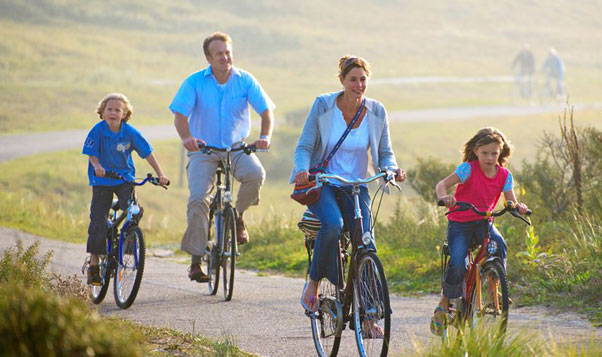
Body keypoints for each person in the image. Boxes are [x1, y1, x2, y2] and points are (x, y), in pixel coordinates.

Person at [291, 55, 406, 336]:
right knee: (333, 226)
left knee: (366, 243)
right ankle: (315, 282)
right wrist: (302, 170)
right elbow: (305, 145)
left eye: (363, 79)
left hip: (357, 185)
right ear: (342, 80)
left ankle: (369, 317)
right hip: (325, 183)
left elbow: (386, 152)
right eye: (353, 79)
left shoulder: (377, 111)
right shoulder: (323, 105)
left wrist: (391, 169)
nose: (359, 85)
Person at [169, 32, 275, 282]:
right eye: (219, 54)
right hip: (203, 150)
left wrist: (265, 136)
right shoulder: (195, 82)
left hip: (237, 147)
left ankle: (237, 217)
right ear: (208, 58)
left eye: (228, 52)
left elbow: (266, 111)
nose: (225, 57)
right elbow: (180, 115)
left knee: (255, 174)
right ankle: (196, 261)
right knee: (198, 200)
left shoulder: (245, 80)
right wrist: (187, 139)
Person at [429, 127, 528, 335]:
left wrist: (518, 207)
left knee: (500, 246)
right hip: (461, 224)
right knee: (457, 261)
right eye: (485, 153)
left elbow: (511, 201)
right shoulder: (467, 169)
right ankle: (445, 303)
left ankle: (495, 292)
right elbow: (442, 185)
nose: (490, 158)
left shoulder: (504, 175)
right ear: (476, 151)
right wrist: (444, 198)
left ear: (500, 153)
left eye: (494, 153)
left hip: (484, 223)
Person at [82, 93, 169, 285]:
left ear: (125, 114)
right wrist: (97, 166)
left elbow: (148, 153)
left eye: (117, 110)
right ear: (102, 112)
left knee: (134, 210)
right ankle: (94, 266)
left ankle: (129, 243)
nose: (113, 113)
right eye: (109, 109)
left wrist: (160, 174)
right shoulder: (98, 131)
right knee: (98, 221)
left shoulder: (130, 132)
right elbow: (91, 153)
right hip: (102, 181)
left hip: (124, 178)